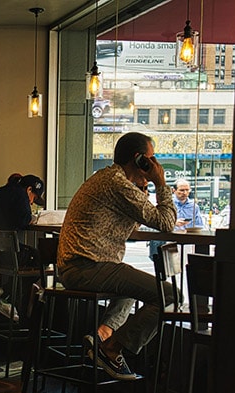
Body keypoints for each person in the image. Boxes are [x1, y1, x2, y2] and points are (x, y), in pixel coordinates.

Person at [57, 132, 177, 380]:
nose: (155, 165)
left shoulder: (109, 179)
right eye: (152, 159)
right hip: (88, 268)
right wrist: (160, 184)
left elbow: (131, 228)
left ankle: (102, 335)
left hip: (81, 267)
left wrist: (142, 193)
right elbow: (166, 223)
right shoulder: (117, 183)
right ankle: (111, 349)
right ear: (140, 159)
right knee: (169, 295)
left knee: (130, 283)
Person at [0, 173, 45, 268]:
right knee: (39, 258)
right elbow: (23, 220)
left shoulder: (3, 190)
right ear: (29, 189)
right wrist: (34, 218)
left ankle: (11, 282)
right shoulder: (20, 195)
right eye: (33, 198)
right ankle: (16, 283)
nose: (31, 203)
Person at [148, 178, 206, 258]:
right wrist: (173, 223)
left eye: (187, 190)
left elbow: (199, 226)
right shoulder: (167, 204)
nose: (185, 193)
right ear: (173, 190)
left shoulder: (194, 207)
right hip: (169, 240)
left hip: (186, 242)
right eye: (181, 190)